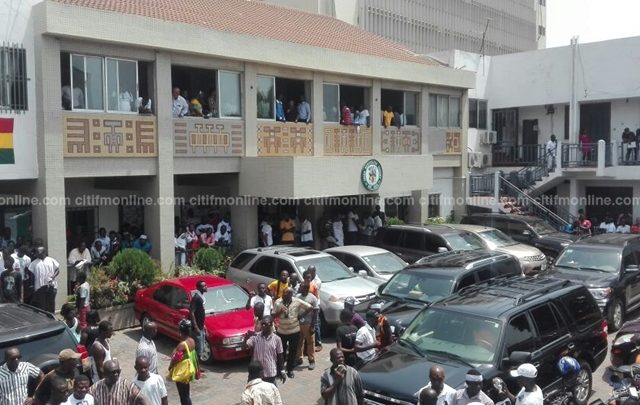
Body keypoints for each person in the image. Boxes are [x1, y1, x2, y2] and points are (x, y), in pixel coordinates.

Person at [273, 287, 313, 378]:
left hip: (294, 331)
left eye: (286, 293)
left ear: (291, 295)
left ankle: (290, 370)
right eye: (283, 293)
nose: (284, 295)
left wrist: (301, 315)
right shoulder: (278, 302)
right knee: (281, 352)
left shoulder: (297, 301)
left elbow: (310, 307)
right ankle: (280, 370)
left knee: (293, 351)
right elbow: (273, 315)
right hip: (281, 331)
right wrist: (280, 312)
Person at [245, 316, 286, 385]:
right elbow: (246, 346)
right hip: (257, 374)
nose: (263, 326)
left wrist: (282, 370)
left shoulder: (277, 339)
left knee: (272, 391)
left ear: (271, 324)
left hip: (270, 372)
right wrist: (245, 339)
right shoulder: (255, 337)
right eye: (262, 324)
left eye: (265, 324)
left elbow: (280, 355)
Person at [169, 320, 198, 405]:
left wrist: (170, 367)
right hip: (188, 371)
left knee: (183, 396)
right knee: (186, 394)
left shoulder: (182, 345)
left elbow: (174, 357)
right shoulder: (192, 341)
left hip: (182, 372)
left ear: (180, 331)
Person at [296, 282, 319, 370]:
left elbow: (316, 312)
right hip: (298, 324)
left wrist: (313, 325)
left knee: (310, 342)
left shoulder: (313, 298)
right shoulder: (297, 296)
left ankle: (311, 360)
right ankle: (299, 358)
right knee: (299, 342)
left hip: (308, 324)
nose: (299, 288)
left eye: (301, 287)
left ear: (306, 288)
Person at [29, 247, 59, 313]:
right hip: (39, 288)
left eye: (38, 252)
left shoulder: (51, 260)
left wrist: (53, 276)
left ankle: (51, 318)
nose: (36, 254)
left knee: (51, 305)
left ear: (43, 252)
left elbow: (57, 270)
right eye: (36, 252)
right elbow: (31, 276)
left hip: (51, 286)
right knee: (41, 306)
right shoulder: (33, 263)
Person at [190, 280, 207, 361]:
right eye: (204, 286)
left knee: (202, 347)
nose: (206, 287)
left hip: (201, 326)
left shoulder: (201, 297)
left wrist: (203, 325)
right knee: (198, 349)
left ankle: (198, 365)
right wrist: (196, 327)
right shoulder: (196, 298)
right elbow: (192, 312)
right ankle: (196, 365)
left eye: (206, 285)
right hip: (197, 328)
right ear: (199, 288)